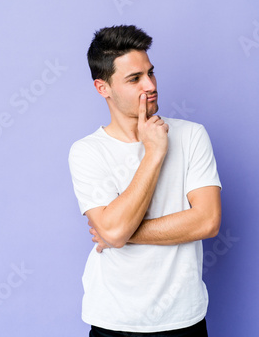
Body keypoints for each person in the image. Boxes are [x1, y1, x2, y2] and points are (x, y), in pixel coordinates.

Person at [68, 25, 222, 337]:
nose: (150, 85)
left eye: (150, 73)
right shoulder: (87, 151)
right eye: (134, 79)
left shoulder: (192, 135)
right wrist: (153, 153)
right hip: (114, 321)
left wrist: (120, 234)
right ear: (103, 88)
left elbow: (207, 222)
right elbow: (111, 229)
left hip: (183, 319)